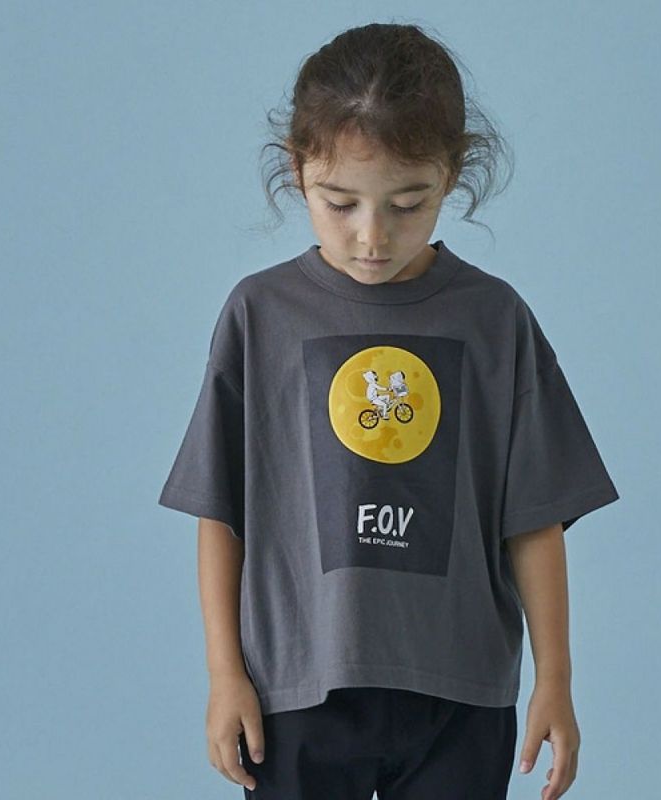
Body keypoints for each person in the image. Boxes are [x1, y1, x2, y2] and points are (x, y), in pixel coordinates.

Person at [157, 21, 619, 800]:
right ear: (297, 170)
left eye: (409, 204)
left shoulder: (494, 319)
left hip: (460, 693)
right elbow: (221, 512)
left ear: (452, 177)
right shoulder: (260, 315)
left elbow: (533, 518)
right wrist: (225, 674)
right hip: (295, 692)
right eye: (339, 203)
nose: (371, 238)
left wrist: (556, 679)